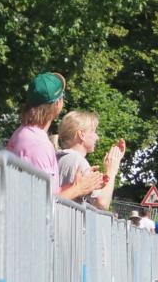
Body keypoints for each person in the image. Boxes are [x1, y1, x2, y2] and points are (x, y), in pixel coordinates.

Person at [6, 72, 104, 201]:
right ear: (58, 104)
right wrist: (78, 189)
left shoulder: (23, 133)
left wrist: (76, 185)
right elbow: (43, 202)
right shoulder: (38, 144)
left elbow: (45, 193)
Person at [55, 110, 125, 211]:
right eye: (93, 131)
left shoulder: (59, 157)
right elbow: (102, 203)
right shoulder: (79, 161)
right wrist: (111, 170)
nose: (97, 137)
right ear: (81, 135)